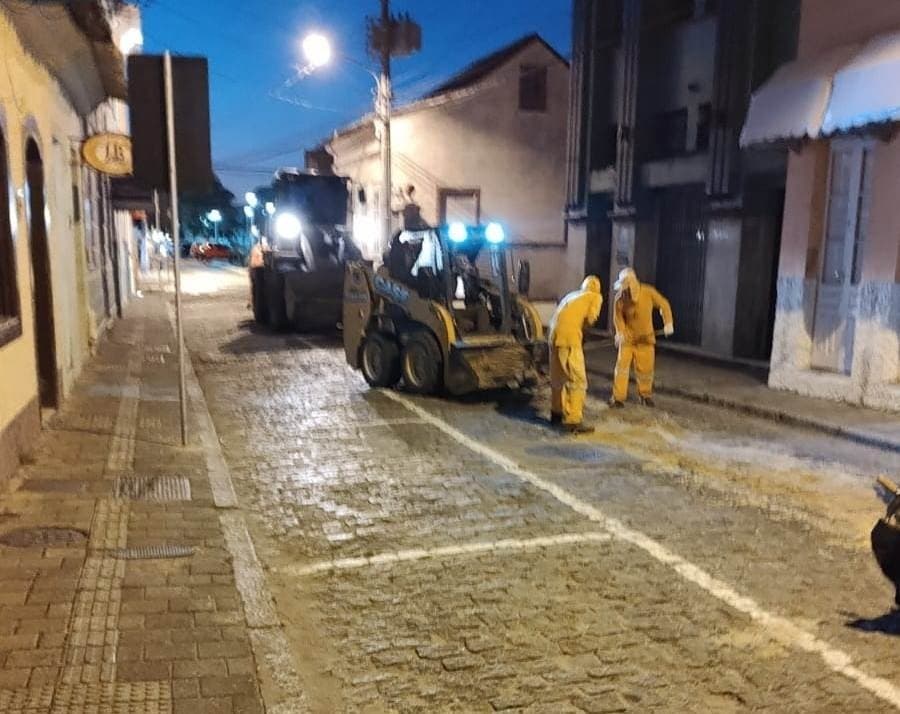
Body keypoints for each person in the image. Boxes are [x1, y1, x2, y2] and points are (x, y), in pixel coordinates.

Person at [610, 267, 674, 408]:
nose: (625, 291)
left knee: (645, 370)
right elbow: (618, 317)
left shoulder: (648, 292)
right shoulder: (620, 298)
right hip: (628, 339)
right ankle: (618, 398)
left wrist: (668, 322)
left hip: (646, 339)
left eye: (626, 288)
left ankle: (645, 395)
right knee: (621, 369)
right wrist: (620, 333)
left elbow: (663, 304)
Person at [549, 276, 604, 434]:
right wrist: (583, 333)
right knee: (577, 379)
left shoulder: (572, 295)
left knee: (558, 377)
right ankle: (573, 420)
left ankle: (556, 413)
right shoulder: (595, 297)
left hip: (553, 336)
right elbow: (591, 319)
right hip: (569, 339)